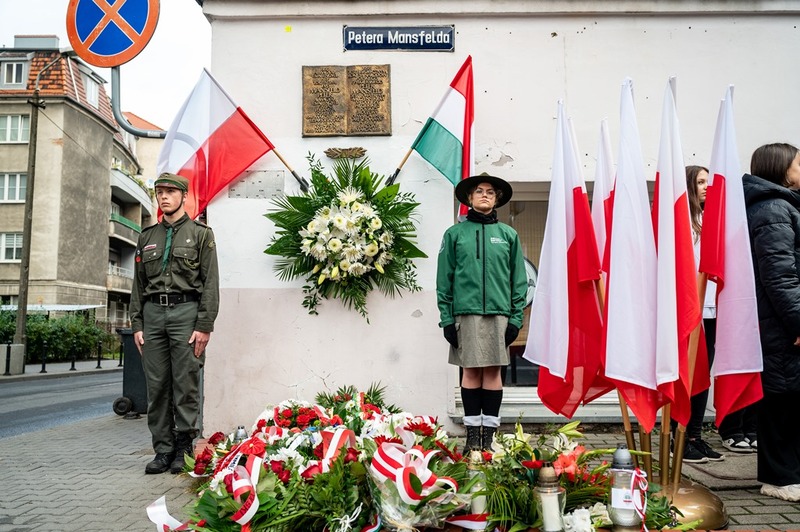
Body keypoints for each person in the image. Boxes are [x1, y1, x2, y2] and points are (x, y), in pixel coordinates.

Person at [130, 173, 220, 475]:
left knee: (186, 384)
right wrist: (137, 324)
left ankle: (184, 448)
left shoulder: (201, 234)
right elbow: (138, 287)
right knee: (157, 387)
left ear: (184, 196)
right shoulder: (147, 237)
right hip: (153, 315)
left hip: (186, 314)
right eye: (160, 192)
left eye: (170, 192)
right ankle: (163, 450)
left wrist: (204, 325)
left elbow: (210, 283)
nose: (164, 197)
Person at [436, 173, 527, 453]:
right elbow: (444, 279)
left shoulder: (508, 235)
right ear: (469, 199)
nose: (484, 195)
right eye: (478, 191)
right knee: (471, 373)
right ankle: (472, 437)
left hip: (499, 314)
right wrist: (447, 318)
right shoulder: (454, 235)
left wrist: (515, 319)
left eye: (490, 191)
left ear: (497, 198)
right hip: (466, 313)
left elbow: (519, 280)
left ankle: (489, 438)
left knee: (493, 373)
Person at [742, 143, 800, 501]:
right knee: (782, 399)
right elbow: (780, 277)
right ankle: (778, 478)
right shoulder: (774, 209)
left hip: (783, 322)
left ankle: (787, 474)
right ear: (781, 168)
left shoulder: (782, 205)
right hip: (781, 324)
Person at [672, 165, 725, 463]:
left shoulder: (708, 219)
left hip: (711, 308)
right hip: (689, 309)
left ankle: (695, 435)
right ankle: (679, 437)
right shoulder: (681, 220)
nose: (707, 186)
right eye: (701, 182)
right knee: (688, 375)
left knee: (704, 375)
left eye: (708, 181)